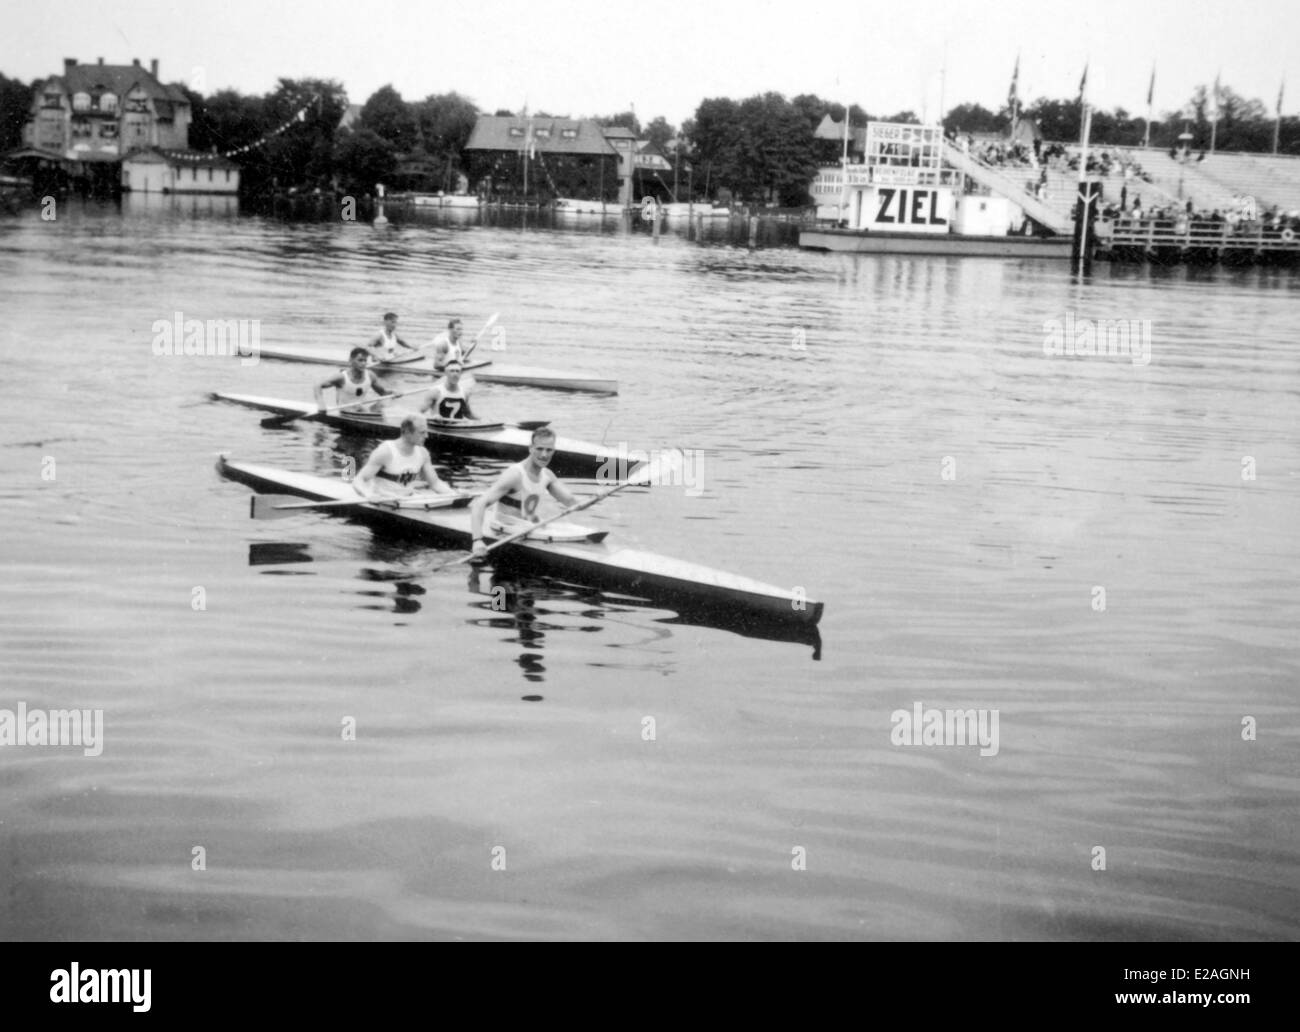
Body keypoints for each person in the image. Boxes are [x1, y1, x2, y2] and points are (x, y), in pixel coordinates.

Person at [469, 427, 578, 560]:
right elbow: (479, 503)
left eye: (549, 450)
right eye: (539, 449)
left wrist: (598, 496)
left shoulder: (547, 475)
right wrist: (477, 540)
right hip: (505, 535)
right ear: (530, 448)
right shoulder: (514, 475)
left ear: (554, 451)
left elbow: (571, 502)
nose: (544, 455)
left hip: (528, 531)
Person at [352, 413, 456, 499]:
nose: (426, 436)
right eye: (422, 432)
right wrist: (368, 495)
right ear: (407, 432)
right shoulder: (385, 451)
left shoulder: (423, 453)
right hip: (383, 500)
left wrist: (454, 494)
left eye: (426, 432)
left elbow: (435, 483)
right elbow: (359, 480)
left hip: (406, 499)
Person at [315, 347, 394, 414]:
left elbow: (383, 393)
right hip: (345, 413)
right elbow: (318, 385)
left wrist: (394, 393)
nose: (363, 363)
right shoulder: (341, 377)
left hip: (361, 410)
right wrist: (321, 404)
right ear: (351, 361)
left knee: (385, 401)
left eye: (365, 360)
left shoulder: (370, 375)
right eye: (360, 360)